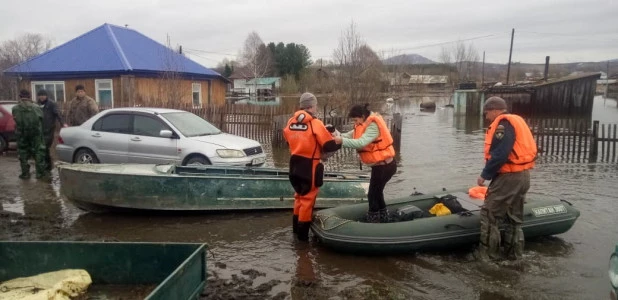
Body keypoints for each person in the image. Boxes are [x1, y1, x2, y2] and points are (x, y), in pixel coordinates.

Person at [476, 96, 537, 261]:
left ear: (495, 110)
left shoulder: (503, 124)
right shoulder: (517, 121)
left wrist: (485, 175)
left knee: (490, 216)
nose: (486, 117)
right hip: (523, 176)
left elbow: (500, 153)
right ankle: (514, 256)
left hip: (509, 176)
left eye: (487, 113)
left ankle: (488, 258)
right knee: (514, 217)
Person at [283, 92, 341, 241]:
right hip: (310, 166)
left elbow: (288, 140)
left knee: (298, 197)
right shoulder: (315, 123)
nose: (316, 108)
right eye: (315, 105)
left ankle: (295, 232)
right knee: (308, 200)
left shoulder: (290, 121)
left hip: (294, 164)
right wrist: (339, 141)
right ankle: (302, 240)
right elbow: (328, 146)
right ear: (311, 106)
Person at [335, 104, 397, 223]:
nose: (355, 122)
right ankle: (383, 217)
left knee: (372, 194)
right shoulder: (362, 124)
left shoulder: (373, 126)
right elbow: (352, 134)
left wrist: (342, 141)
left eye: (356, 119)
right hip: (380, 166)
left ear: (363, 116)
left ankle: (373, 219)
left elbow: (361, 143)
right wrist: (338, 136)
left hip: (385, 166)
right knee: (377, 192)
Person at [12, 89, 48, 179]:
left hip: (22, 134)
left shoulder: (15, 108)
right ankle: (40, 173)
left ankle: (25, 174)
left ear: (20, 96)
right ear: (29, 96)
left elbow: (15, 120)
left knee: (23, 153)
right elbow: (41, 119)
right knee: (39, 152)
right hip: (35, 134)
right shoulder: (36, 107)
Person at [37, 90, 67, 171]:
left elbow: (58, 114)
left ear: (46, 96)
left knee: (45, 147)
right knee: (41, 148)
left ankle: (48, 166)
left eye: (43, 95)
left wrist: (63, 123)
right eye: (40, 95)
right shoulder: (37, 104)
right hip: (39, 130)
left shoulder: (51, 104)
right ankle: (45, 165)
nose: (42, 97)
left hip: (49, 129)